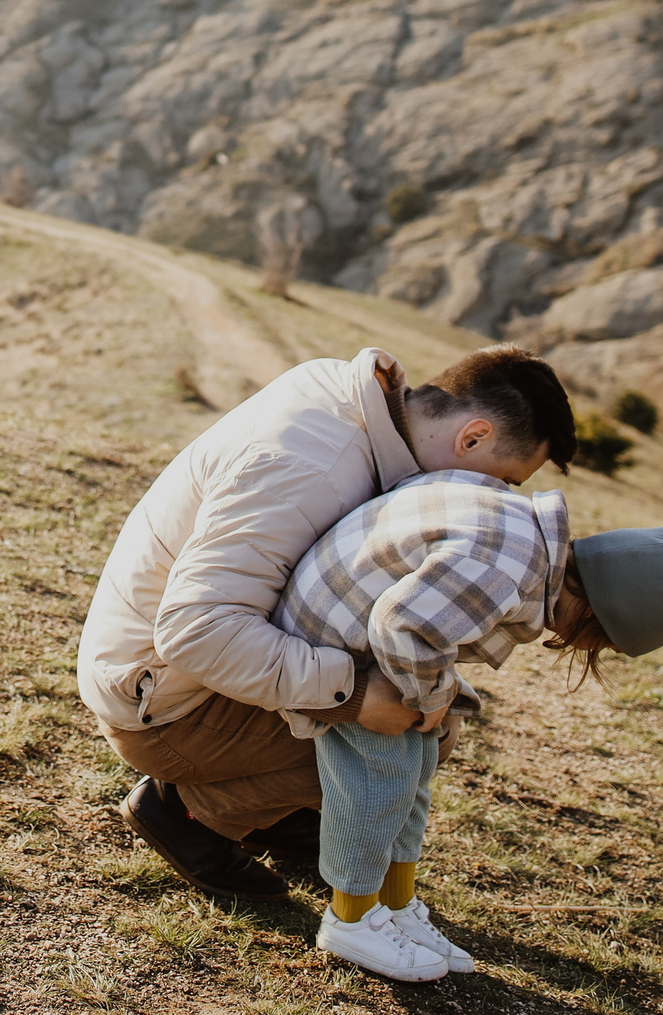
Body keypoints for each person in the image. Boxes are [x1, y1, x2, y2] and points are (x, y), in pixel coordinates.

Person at [76, 343, 577, 899]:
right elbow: (196, 629)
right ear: (474, 437)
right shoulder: (311, 467)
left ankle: (275, 811)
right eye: (503, 480)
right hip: (162, 701)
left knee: (425, 704)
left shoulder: (356, 408)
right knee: (418, 727)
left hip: (168, 670)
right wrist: (355, 696)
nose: (496, 498)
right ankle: (189, 811)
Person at [274, 467, 663, 980]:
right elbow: (400, 621)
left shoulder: (524, 537)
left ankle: (395, 906)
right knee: (381, 776)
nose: (581, 647)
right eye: (599, 640)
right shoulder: (505, 570)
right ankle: (350, 919)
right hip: (330, 644)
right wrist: (431, 694)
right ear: (595, 610)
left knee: (417, 765)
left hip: (356, 636)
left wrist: (434, 695)